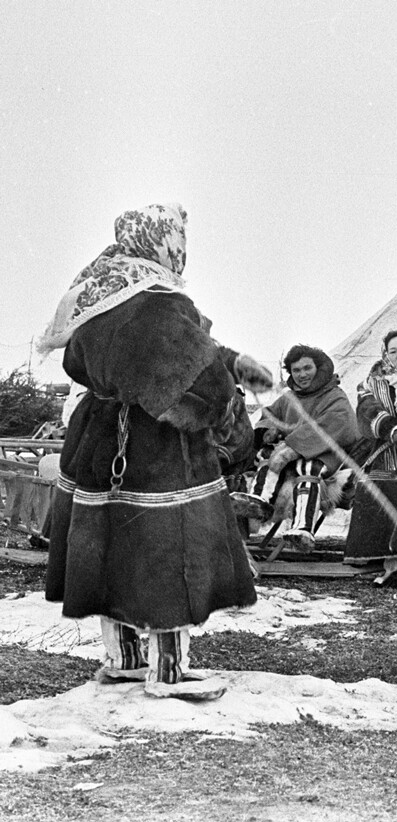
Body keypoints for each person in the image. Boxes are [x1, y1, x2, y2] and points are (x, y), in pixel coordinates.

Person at [39, 203, 274, 701]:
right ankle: (167, 671)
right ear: (164, 243)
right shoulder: (159, 301)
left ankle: (123, 658)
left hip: (99, 437)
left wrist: (234, 361)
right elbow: (197, 381)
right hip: (156, 446)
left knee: (109, 546)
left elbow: (91, 362)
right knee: (169, 548)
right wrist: (228, 397)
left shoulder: (99, 294)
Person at [236, 345, 360, 551]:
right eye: (296, 370)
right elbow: (270, 414)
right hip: (288, 459)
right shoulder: (290, 397)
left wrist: (292, 447)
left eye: (307, 368)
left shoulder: (334, 395)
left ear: (319, 368)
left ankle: (302, 527)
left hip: (324, 457)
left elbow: (340, 423)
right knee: (267, 454)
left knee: (307, 467)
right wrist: (269, 430)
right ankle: (259, 501)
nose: (302, 375)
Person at [343, 330, 397, 586]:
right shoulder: (372, 382)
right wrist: (392, 428)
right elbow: (367, 409)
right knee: (378, 486)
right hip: (388, 451)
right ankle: (390, 565)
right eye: (393, 351)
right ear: (385, 355)